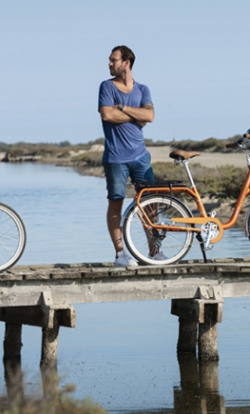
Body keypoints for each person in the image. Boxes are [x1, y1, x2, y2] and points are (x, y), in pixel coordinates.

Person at [98, 45, 155, 266]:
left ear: (126, 63)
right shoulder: (106, 87)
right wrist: (135, 114)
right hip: (115, 158)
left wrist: (122, 108)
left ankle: (154, 252)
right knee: (116, 204)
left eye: (114, 60)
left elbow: (149, 116)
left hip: (140, 156)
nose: (110, 64)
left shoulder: (143, 89)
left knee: (150, 204)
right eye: (110, 60)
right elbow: (107, 114)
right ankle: (121, 254)